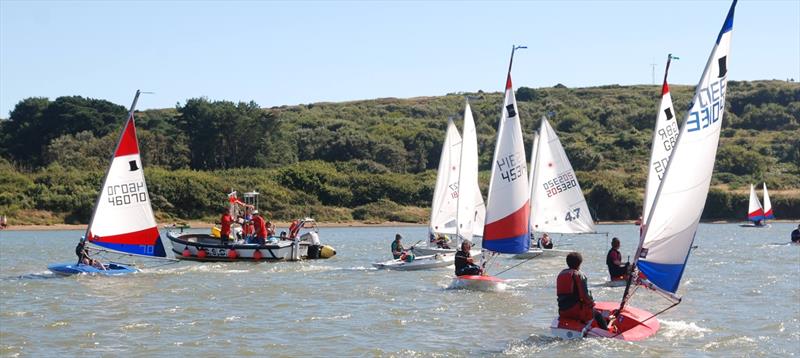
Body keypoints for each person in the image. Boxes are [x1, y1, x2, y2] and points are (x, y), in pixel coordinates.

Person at [556, 252, 609, 330]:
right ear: (579, 264)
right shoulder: (579, 275)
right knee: (597, 314)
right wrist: (592, 304)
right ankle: (606, 332)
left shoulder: (561, 274)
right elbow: (585, 297)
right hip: (576, 312)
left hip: (562, 311)